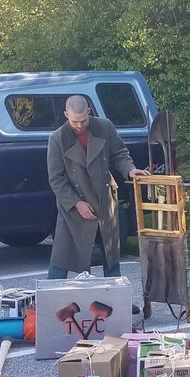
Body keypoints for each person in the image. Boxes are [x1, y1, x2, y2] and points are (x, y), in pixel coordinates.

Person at [46, 95, 146, 280]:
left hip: (104, 199)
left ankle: (116, 300)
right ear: (66, 114)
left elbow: (119, 154)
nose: (79, 125)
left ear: (89, 111)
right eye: (74, 121)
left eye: (83, 120)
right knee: (61, 258)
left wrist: (130, 170)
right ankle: (51, 299)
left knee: (111, 257)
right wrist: (77, 203)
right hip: (73, 208)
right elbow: (56, 179)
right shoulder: (57, 138)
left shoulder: (104, 126)